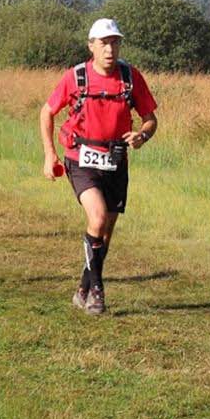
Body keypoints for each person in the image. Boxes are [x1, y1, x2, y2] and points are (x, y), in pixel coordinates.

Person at [39, 18, 158, 315]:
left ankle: (83, 288)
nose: (110, 49)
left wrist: (142, 135)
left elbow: (150, 119)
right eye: (104, 43)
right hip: (81, 160)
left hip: (116, 163)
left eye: (115, 42)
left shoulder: (131, 78)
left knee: (104, 233)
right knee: (98, 217)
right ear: (91, 46)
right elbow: (47, 112)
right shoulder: (76, 77)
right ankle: (97, 292)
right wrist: (49, 154)